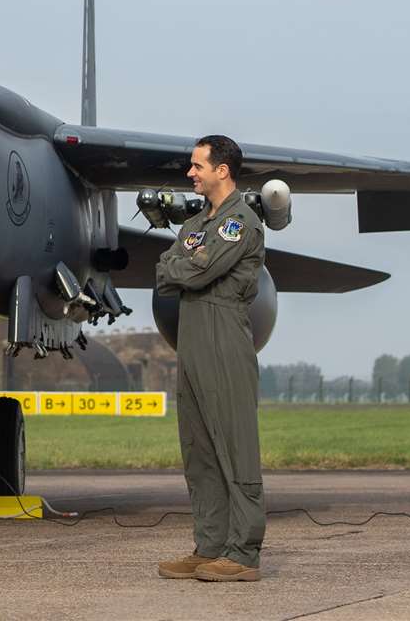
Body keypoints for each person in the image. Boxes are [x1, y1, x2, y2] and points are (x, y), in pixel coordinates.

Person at [154, 134, 267, 582]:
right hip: (192, 336)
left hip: (224, 336)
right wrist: (185, 264)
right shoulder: (196, 225)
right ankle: (210, 545)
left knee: (234, 445)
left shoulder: (240, 222)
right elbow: (165, 272)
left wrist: (187, 265)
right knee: (198, 449)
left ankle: (243, 553)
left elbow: (199, 271)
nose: (190, 173)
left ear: (222, 170)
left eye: (197, 165)